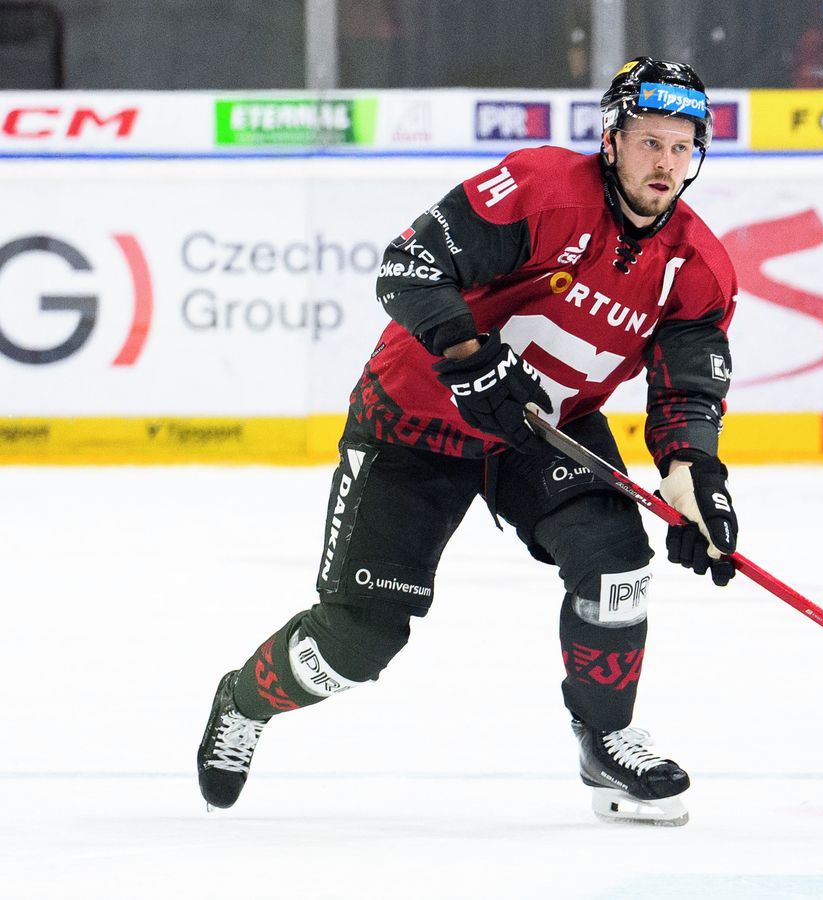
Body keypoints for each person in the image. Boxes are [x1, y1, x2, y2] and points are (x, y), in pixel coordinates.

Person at [196, 57, 740, 827]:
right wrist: (468, 357)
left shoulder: (698, 266)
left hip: (543, 428)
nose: (666, 163)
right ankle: (242, 700)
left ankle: (606, 740)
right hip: (416, 419)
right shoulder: (544, 188)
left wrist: (693, 479)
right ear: (612, 140)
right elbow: (410, 265)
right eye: (650, 141)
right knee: (356, 642)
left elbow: (686, 391)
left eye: (682, 147)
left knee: (617, 565)